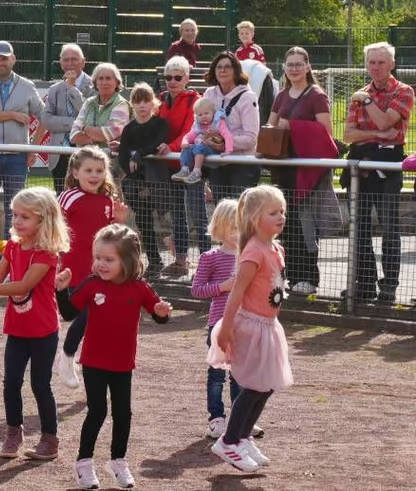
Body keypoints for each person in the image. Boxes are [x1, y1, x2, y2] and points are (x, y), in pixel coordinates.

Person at [62, 224, 172, 490]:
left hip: (123, 364)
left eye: (108, 259)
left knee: (124, 414)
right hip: (94, 362)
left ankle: (118, 461)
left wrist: (161, 311)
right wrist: (60, 290)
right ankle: (84, 464)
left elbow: (158, 315)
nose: (101, 264)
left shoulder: (139, 287)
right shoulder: (91, 285)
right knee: (97, 411)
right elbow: (68, 314)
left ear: (128, 260)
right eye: (98, 258)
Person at [0, 188, 69, 461]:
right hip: (17, 328)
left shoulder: (47, 253)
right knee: (10, 382)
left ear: (43, 220)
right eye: (15, 215)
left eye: (25, 216)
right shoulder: (12, 246)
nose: (17, 221)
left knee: (40, 385)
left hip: (44, 330)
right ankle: (14, 432)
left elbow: (23, 285)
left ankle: (50, 439)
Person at [208, 185, 293, 473]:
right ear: (256, 219)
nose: (281, 216)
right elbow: (236, 293)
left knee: (266, 386)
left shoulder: (275, 248)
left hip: (268, 326)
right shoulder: (253, 252)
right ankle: (229, 441)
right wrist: (226, 328)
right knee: (255, 386)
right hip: (251, 326)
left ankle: (242, 437)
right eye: (273, 212)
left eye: (282, 211)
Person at [343, 41, 412, 305]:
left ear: (392, 63)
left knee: (389, 229)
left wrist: (369, 102)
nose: (375, 67)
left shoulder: (403, 91)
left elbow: (387, 121)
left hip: (389, 169)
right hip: (361, 169)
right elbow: (348, 135)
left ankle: (390, 286)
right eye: (371, 62)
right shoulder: (357, 94)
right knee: (359, 230)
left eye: (381, 62)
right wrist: (379, 136)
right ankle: (365, 283)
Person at [55, 147, 127, 391]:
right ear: (76, 172)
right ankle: (66, 355)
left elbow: (110, 236)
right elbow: (53, 224)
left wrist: (118, 221)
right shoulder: (68, 196)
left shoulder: (108, 201)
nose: (94, 175)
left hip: (99, 270)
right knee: (86, 314)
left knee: (96, 318)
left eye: (99, 170)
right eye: (88, 170)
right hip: (72, 268)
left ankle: (87, 369)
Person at [267, 46, 334, 296]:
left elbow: (327, 131)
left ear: (308, 66)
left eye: (298, 64)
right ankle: (290, 275)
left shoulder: (316, 95)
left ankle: (309, 277)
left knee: (305, 223)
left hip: (306, 171)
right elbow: (272, 124)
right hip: (283, 168)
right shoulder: (281, 95)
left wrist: (293, 126)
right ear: (284, 68)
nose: (294, 68)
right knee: (284, 223)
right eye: (290, 64)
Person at [0, 40, 46, 237]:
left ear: (13, 59)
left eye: (4, 58)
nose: (0, 62)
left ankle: (13, 251)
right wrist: (12, 114)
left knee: (18, 208)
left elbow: (44, 118)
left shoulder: (27, 86)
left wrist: (33, 149)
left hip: (17, 157)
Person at [190, 200, 242, 439]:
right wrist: (223, 286)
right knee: (217, 373)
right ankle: (216, 418)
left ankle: (241, 418)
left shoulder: (249, 257)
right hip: (219, 324)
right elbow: (197, 290)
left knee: (241, 374)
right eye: (233, 228)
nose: (238, 234)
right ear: (220, 228)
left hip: (244, 323)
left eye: (242, 227)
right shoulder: (210, 257)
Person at [156, 56, 203, 278]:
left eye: (177, 77)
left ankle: (206, 263)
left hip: (191, 165)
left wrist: (171, 147)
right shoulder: (160, 100)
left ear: (187, 78)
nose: (172, 81)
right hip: (169, 166)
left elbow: (190, 131)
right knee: (177, 216)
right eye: (168, 77)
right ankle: (181, 261)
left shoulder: (195, 100)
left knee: (198, 215)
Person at [117, 83, 169, 277]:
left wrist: (138, 154)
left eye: (146, 101)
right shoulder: (129, 128)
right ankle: (154, 260)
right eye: (137, 101)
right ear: (132, 104)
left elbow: (156, 143)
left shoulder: (160, 124)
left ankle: (176, 259)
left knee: (165, 220)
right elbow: (123, 156)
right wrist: (135, 177)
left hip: (158, 180)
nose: (142, 106)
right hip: (136, 184)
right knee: (143, 220)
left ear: (153, 103)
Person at [203, 52, 261, 200]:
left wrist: (224, 143)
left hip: (242, 164)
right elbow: (200, 123)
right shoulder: (209, 94)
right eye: (219, 67)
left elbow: (251, 138)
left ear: (236, 70)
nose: (223, 70)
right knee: (222, 212)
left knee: (240, 213)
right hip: (217, 163)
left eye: (227, 67)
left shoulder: (248, 98)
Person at [42, 43, 93, 192]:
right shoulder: (54, 90)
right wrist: (75, 124)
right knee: (61, 199)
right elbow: (46, 120)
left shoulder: (96, 85)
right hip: (59, 155)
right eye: (66, 60)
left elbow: (88, 114)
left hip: (85, 153)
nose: (70, 63)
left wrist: (71, 88)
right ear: (60, 63)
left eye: (74, 59)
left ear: (83, 62)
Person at [69, 63, 130, 151]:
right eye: (100, 78)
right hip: (86, 158)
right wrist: (94, 139)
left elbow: (109, 134)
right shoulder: (88, 102)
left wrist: (84, 128)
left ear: (117, 82)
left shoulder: (121, 104)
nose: (104, 82)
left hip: (111, 161)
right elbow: (73, 135)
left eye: (108, 78)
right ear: (95, 83)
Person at [174, 97, 233, 185]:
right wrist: (185, 142)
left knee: (199, 147)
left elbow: (227, 135)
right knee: (187, 148)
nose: (203, 116)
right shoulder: (198, 125)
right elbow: (189, 135)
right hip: (201, 147)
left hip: (213, 148)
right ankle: (184, 169)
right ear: (196, 116)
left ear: (213, 113)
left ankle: (197, 171)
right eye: (200, 115)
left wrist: (228, 150)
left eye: (206, 113)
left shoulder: (218, 122)